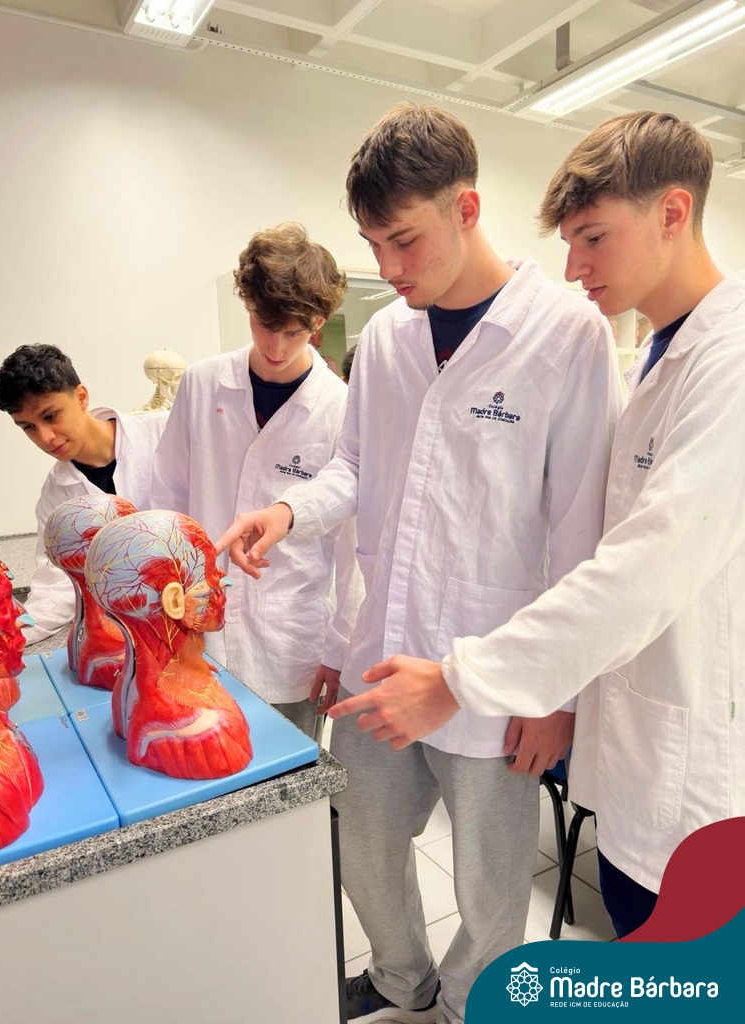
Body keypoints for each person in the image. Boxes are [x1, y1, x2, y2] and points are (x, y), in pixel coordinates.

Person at [217, 106, 622, 1023]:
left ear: (465, 208)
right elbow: (355, 466)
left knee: (490, 879)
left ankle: (478, 999)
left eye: (403, 240)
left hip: (496, 664)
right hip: (386, 648)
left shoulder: (566, 334)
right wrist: (288, 511)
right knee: (362, 840)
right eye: (373, 244)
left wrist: (554, 694)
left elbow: (579, 529)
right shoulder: (391, 340)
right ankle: (404, 975)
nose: (389, 268)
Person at [324, 110, 745, 941]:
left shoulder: (715, 358)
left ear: (672, 212)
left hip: (687, 767)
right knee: (647, 951)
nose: (574, 265)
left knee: (678, 967)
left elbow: (637, 563)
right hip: (625, 750)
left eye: (593, 237)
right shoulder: (664, 356)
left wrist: (482, 682)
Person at [151, 223, 361, 741]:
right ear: (247, 304)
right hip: (198, 628)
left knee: (287, 773)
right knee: (203, 758)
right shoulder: (203, 384)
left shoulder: (340, 407)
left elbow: (352, 546)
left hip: (290, 640)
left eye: (295, 331)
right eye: (266, 325)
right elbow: (167, 498)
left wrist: (340, 649)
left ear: (318, 323)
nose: (276, 345)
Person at [0, 344, 168, 646]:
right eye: (28, 427)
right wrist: (2, 639)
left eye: (50, 416)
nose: (45, 438)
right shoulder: (55, 496)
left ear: (82, 397)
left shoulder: (164, 432)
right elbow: (59, 584)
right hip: (137, 635)